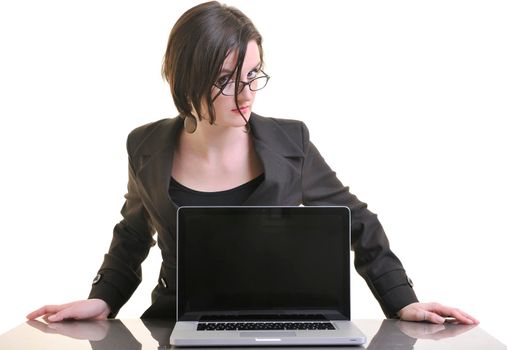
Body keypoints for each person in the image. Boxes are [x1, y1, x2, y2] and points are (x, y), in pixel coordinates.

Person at [27, 1, 478, 325]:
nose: (246, 94)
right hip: (176, 326)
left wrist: (402, 302)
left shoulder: (291, 141)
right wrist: (103, 299)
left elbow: (357, 222)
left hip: (279, 325)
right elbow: (131, 237)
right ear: (185, 77)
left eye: (252, 75)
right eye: (225, 80)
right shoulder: (144, 145)